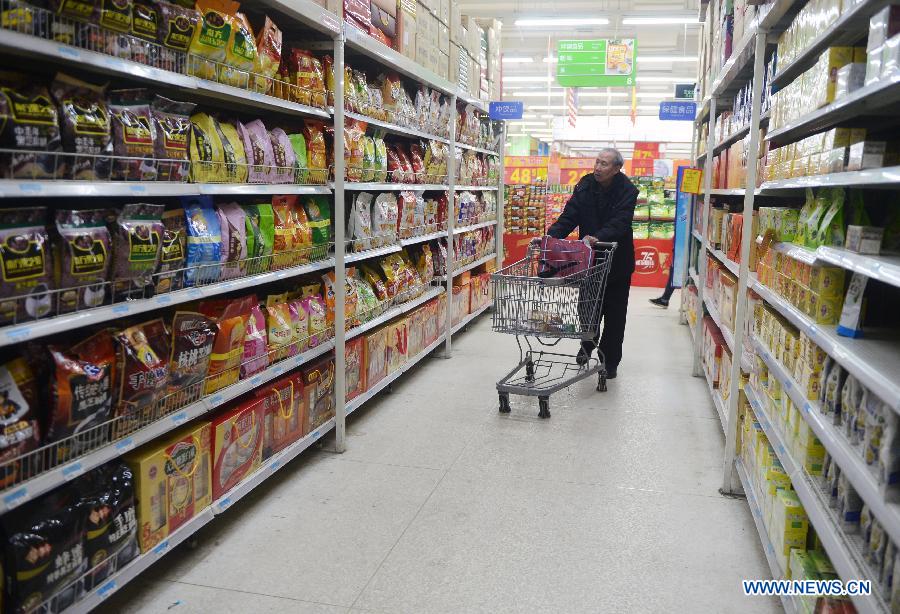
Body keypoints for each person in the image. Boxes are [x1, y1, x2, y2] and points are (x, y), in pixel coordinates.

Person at [537, 148, 638, 379]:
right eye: (597, 162)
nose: (598, 168)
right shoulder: (584, 185)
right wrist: (550, 238)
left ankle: (609, 361)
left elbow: (621, 222)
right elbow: (569, 216)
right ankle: (587, 344)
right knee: (588, 309)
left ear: (616, 168)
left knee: (615, 317)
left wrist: (599, 236)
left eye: (604, 164)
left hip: (617, 262)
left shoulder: (628, 191)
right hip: (589, 262)